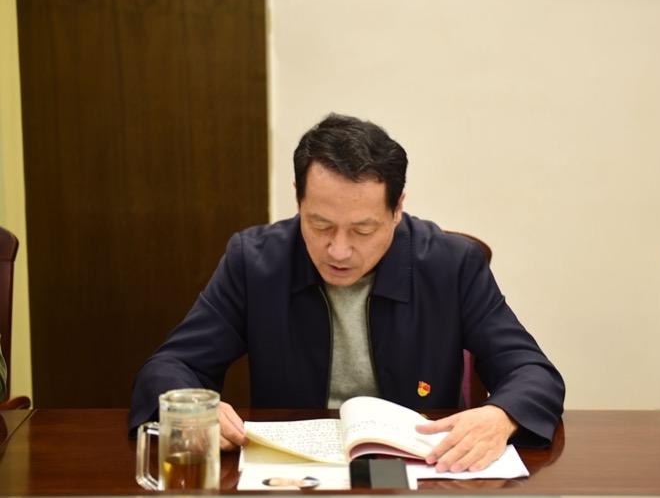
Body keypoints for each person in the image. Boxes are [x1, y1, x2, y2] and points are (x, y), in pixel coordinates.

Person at [129, 113, 565, 473]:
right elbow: (169, 366)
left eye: (362, 229)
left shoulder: (451, 264)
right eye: (320, 224)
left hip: (417, 469)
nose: (338, 250)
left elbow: (532, 373)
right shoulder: (255, 262)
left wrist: (501, 416)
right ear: (298, 200)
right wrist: (195, 412)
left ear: (397, 209)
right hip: (294, 470)